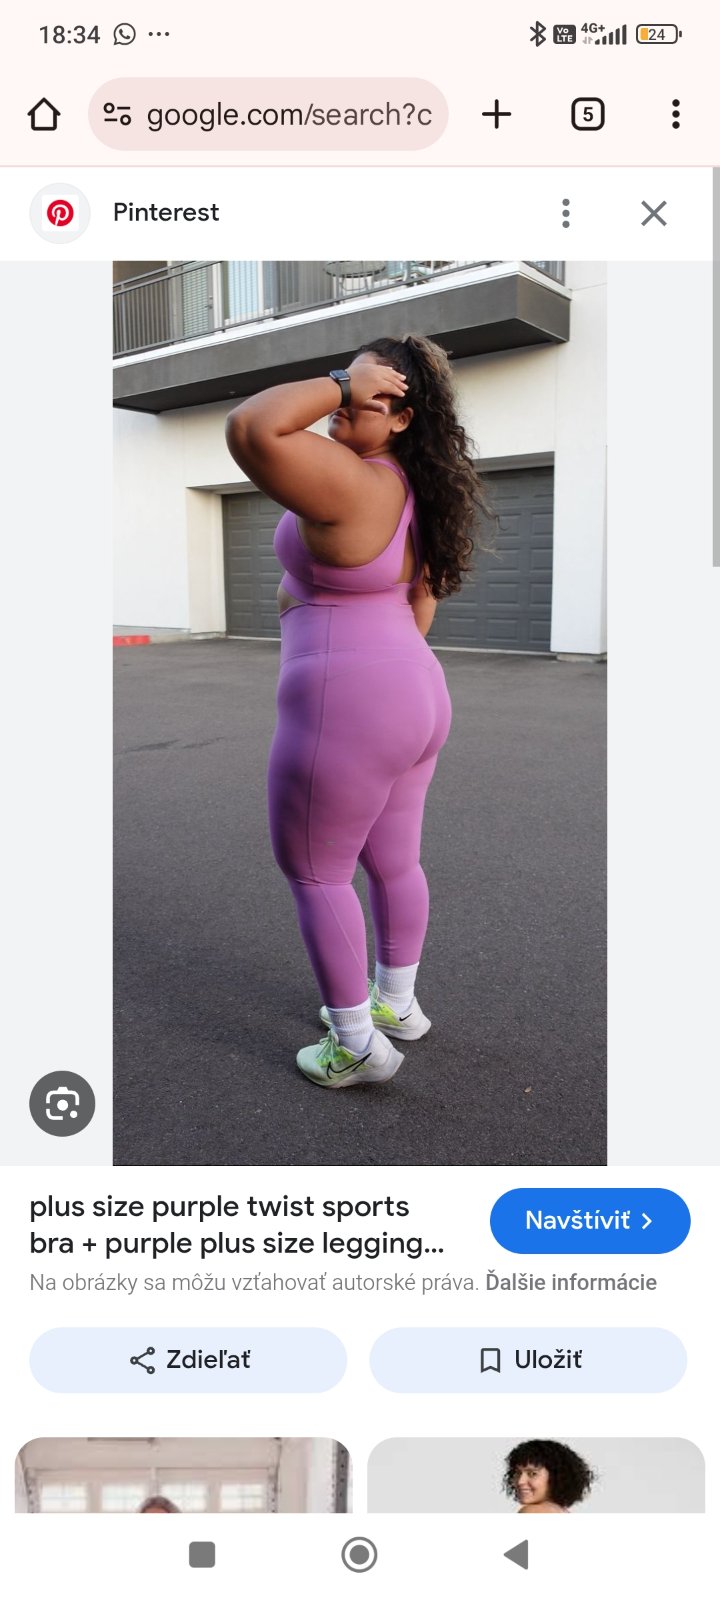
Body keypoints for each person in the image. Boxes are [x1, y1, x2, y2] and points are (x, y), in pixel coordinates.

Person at [226, 334, 486, 1087]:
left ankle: (356, 1048)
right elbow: (418, 609)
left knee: (315, 871)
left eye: (372, 395)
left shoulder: (353, 479)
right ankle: (395, 1005)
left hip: (349, 701)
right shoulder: (414, 491)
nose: (346, 404)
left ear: (402, 417)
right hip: (414, 692)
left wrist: (342, 379)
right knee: (391, 862)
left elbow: (252, 427)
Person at [502, 1440, 595, 1513]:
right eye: (518, 1473)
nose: (520, 1481)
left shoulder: (531, 1512)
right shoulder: (563, 1512)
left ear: (556, 1477)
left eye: (532, 1474)